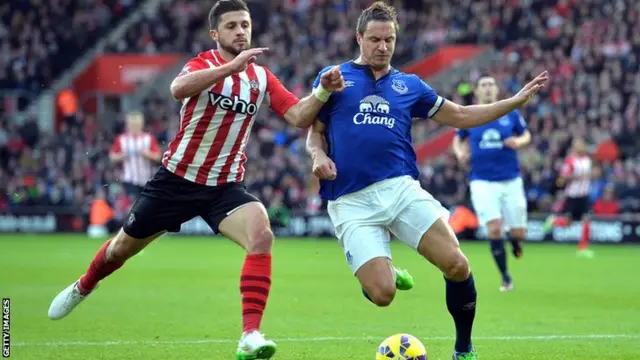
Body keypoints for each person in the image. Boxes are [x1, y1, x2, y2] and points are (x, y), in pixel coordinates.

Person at [47, 1, 344, 360]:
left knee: (262, 235)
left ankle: (250, 335)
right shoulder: (203, 64)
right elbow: (178, 88)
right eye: (231, 26)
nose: (240, 31)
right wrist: (230, 68)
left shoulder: (262, 78)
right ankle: (84, 285)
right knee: (120, 249)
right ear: (216, 34)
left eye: (245, 24)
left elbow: (298, 115)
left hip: (224, 186)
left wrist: (323, 92)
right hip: (176, 181)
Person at [304, 2, 548, 359]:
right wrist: (318, 155)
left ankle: (463, 348)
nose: (382, 47)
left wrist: (514, 101)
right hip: (350, 201)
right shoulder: (335, 78)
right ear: (359, 38)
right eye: (374, 39)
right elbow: (315, 132)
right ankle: (378, 275)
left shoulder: (410, 86)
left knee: (457, 264)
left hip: (400, 190)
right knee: (383, 294)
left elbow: (462, 116)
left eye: (389, 40)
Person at [452, 75, 531, 293]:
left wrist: (519, 142)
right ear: (477, 91)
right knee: (494, 229)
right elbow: (458, 137)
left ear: (497, 90)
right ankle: (506, 278)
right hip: (482, 180)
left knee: (519, 233)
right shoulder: (471, 114)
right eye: (483, 86)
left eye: (491, 85)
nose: (488, 89)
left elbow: (526, 135)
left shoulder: (510, 113)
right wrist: (460, 153)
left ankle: (516, 243)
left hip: (510, 180)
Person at [543, 137, 594, 257]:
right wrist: (576, 177)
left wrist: (591, 175)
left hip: (584, 194)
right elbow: (562, 178)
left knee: (587, 219)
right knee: (569, 222)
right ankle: (553, 221)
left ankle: (582, 248)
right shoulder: (570, 161)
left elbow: (591, 174)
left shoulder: (588, 159)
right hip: (573, 195)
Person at [109, 111, 161, 201]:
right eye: (132, 125)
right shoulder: (122, 139)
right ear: (128, 125)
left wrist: (148, 154)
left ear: (141, 125)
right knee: (134, 203)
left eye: (136, 125)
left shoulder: (148, 138)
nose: (134, 127)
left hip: (145, 179)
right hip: (129, 179)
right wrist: (122, 155)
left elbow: (158, 156)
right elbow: (112, 157)